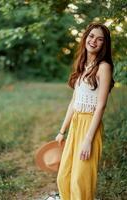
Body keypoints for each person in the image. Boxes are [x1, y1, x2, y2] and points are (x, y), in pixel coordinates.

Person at [55, 22, 115, 200]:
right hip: (75, 124)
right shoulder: (82, 66)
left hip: (90, 125)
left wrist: (88, 139)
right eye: (91, 36)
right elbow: (74, 102)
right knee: (64, 176)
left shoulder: (103, 67)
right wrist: (62, 131)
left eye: (100, 39)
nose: (94, 41)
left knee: (80, 181)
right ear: (85, 38)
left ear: (104, 44)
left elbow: (101, 106)